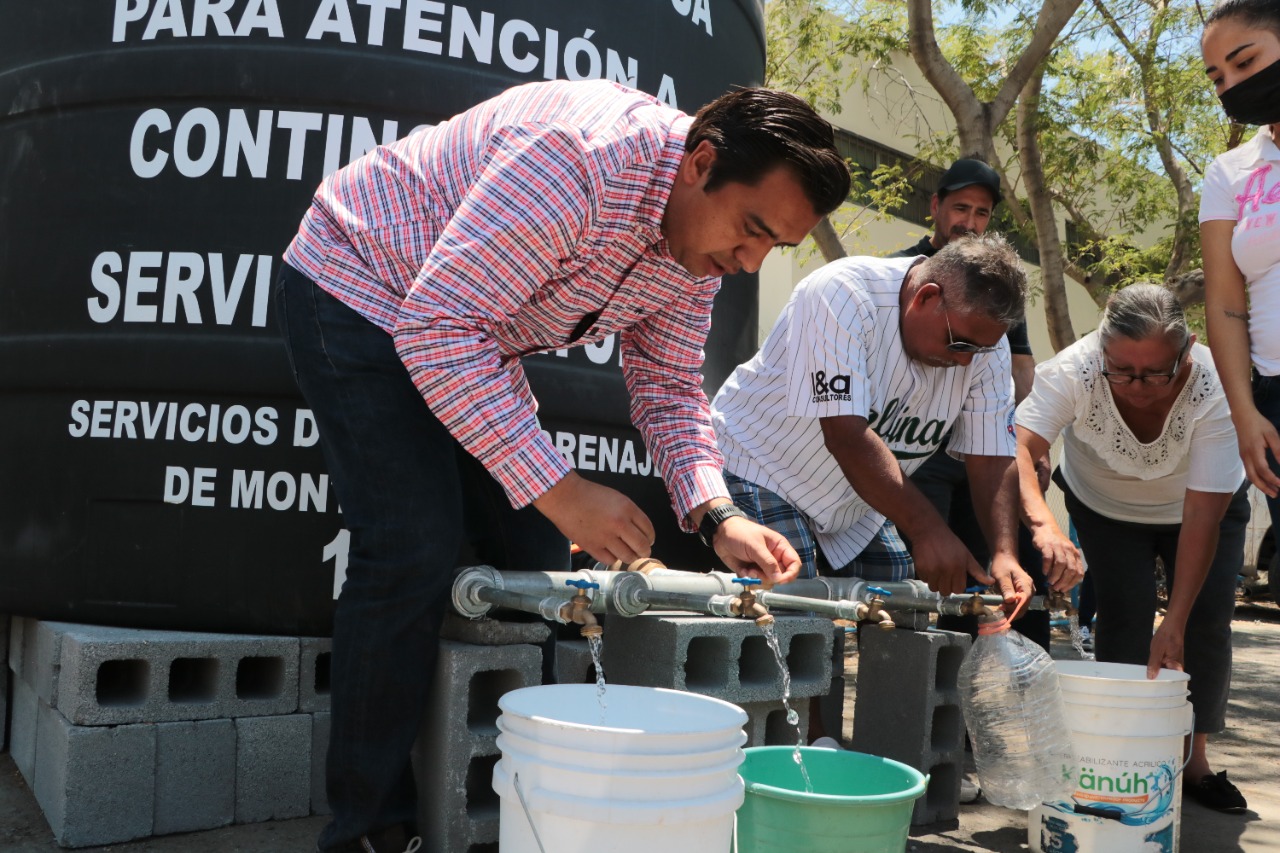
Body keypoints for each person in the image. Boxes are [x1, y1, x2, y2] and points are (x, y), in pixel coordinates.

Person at [276, 79, 851, 853]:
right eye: (749, 229)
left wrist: (721, 515)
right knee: (411, 544)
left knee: (540, 563)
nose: (746, 263)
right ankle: (371, 827)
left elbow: (672, 388)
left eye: (771, 247)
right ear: (700, 162)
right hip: (358, 285)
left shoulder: (698, 253)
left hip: (465, 333)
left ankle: (512, 805)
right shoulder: (579, 160)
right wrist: (564, 490)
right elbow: (438, 326)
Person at [711, 233, 1050, 615]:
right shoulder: (843, 293)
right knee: (792, 600)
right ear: (926, 297)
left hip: (855, 501)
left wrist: (1004, 553)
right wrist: (927, 529)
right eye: (960, 345)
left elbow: (992, 454)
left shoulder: (984, 341)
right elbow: (845, 435)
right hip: (761, 466)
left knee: (904, 603)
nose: (966, 362)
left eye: (979, 350)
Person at [1015, 284, 1250, 814]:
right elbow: (1022, 447)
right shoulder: (1075, 370)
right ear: (1102, 347)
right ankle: (1119, 757)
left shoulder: (1216, 387)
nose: (1138, 386)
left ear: (1187, 349)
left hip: (1202, 506)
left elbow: (1202, 517)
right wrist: (1045, 525)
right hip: (1106, 506)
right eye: (1121, 371)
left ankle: (1194, 762)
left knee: (1204, 621)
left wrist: (1177, 620)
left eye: (1156, 372)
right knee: (1125, 611)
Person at [890, 158, 1051, 650]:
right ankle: (917, 679)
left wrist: (1027, 442)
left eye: (982, 213)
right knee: (930, 574)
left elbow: (1019, 371)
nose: (970, 221)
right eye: (961, 207)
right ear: (935, 206)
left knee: (994, 565)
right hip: (921, 454)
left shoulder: (997, 287)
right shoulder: (901, 272)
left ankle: (988, 688)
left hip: (983, 444)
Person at [1201, 4, 1280, 544]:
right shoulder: (1231, 171)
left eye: (1244, 63)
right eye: (1218, 78)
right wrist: (1245, 412)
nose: (1232, 85)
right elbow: (1226, 304)